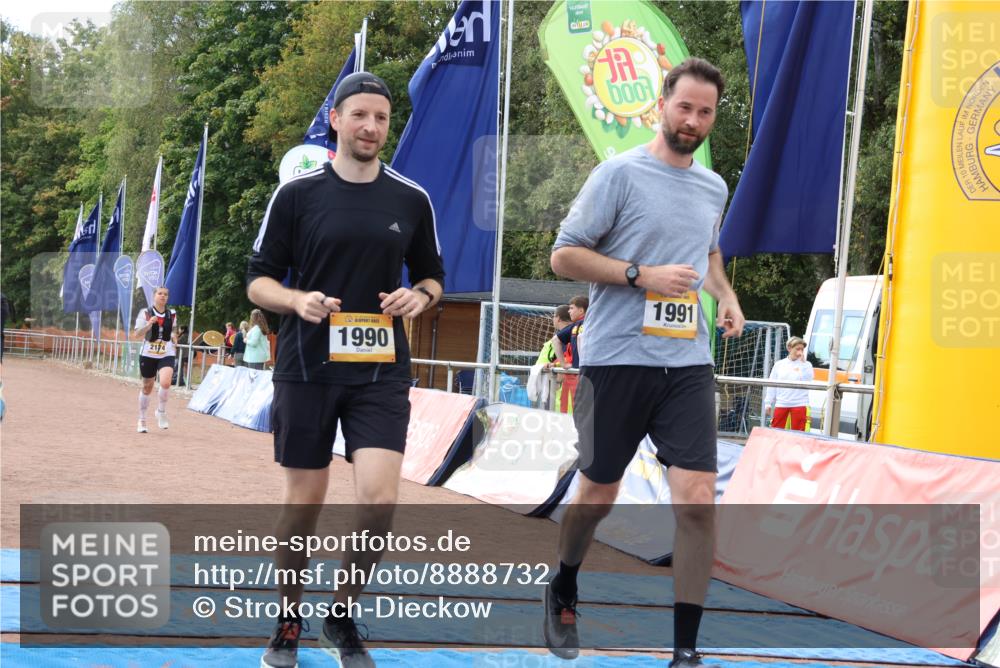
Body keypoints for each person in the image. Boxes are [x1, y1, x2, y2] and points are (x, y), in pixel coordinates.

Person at [543, 58, 745, 668]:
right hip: (616, 360)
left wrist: (727, 298)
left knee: (697, 499)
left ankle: (685, 649)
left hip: (685, 363)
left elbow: (707, 253)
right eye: (685, 107)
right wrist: (638, 274)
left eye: (705, 112)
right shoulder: (618, 175)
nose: (694, 120)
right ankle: (565, 583)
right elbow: (563, 257)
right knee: (597, 493)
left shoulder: (714, 186)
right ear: (662, 103)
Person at [247, 71, 444, 668]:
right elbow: (257, 280)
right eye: (360, 115)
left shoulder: (411, 199)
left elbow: (433, 276)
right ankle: (287, 621)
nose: (371, 127)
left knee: (379, 504)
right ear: (335, 119)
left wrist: (422, 298)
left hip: (381, 371)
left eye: (382, 118)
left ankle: (341, 614)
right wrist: (296, 301)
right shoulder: (297, 195)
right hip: (308, 368)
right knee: (303, 504)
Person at [134, 286, 179, 433]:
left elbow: (173, 329)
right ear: (154, 296)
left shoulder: (172, 313)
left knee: (166, 382)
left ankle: (160, 411)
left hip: (166, 352)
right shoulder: (145, 313)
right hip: (148, 353)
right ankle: (142, 419)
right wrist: (148, 324)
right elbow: (137, 334)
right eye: (160, 293)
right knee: (147, 387)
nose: (163, 296)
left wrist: (174, 337)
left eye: (166, 294)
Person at [765, 336, 813, 431]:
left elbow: (808, 380)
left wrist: (803, 364)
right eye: (797, 349)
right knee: (776, 433)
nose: (800, 352)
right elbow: (772, 384)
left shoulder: (807, 365)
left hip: (800, 404)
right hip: (782, 403)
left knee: (800, 436)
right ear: (789, 348)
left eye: (802, 349)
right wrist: (768, 403)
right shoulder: (779, 364)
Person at [550, 295, 588, 413]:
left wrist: (562, 363)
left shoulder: (578, 326)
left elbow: (556, 340)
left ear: (581, 310)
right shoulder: (585, 324)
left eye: (571, 308)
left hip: (578, 376)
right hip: (584, 374)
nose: (569, 311)